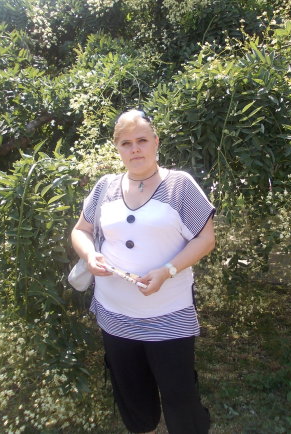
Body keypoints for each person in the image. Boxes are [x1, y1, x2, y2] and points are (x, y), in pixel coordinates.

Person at [71, 109, 215, 434]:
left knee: (181, 397)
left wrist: (167, 270)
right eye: (126, 143)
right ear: (117, 148)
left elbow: (206, 239)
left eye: (142, 140)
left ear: (156, 142)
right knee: (133, 398)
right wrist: (90, 255)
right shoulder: (105, 187)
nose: (135, 149)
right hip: (115, 314)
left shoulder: (180, 186)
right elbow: (81, 230)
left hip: (169, 315)